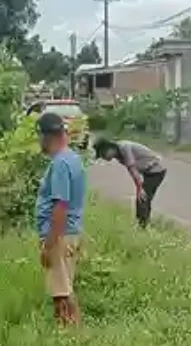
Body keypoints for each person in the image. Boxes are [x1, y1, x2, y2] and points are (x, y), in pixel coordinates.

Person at [37, 112, 87, 325]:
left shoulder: (60, 164)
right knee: (65, 287)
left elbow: (61, 205)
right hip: (69, 233)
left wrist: (49, 244)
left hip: (60, 235)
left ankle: (70, 339)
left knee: (61, 294)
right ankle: (72, 337)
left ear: (45, 136)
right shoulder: (72, 158)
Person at [93, 136, 166, 227]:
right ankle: (142, 224)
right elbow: (133, 171)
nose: (104, 158)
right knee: (143, 198)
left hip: (156, 170)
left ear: (109, 148)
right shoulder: (118, 154)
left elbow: (132, 169)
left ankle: (142, 226)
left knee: (142, 198)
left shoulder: (124, 148)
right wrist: (139, 187)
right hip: (148, 171)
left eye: (103, 154)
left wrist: (139, 188)